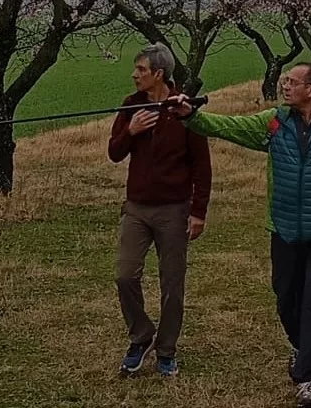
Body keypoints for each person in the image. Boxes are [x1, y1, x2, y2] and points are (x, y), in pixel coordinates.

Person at [168, 64, 311, 408]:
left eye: (292, 82)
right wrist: (190, 116)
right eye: (284, 81)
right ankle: (303, 349)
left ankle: (309, 380)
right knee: (286, 299)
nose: (284, 86)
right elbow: (227, 127)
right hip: (283, 229)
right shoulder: (273, 122)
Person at [107, 43, 212, 378]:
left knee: (172, 284)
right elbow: (114, 152)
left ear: (159, 74)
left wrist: (198, 211)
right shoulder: (130, 106)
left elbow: (202, 166)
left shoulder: (183, 111)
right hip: (137, 207)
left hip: (174, 209)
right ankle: (141, 337)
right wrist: (131, 130)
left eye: (141, 70)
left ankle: (166, 350)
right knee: (125, 275)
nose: (134, 75)